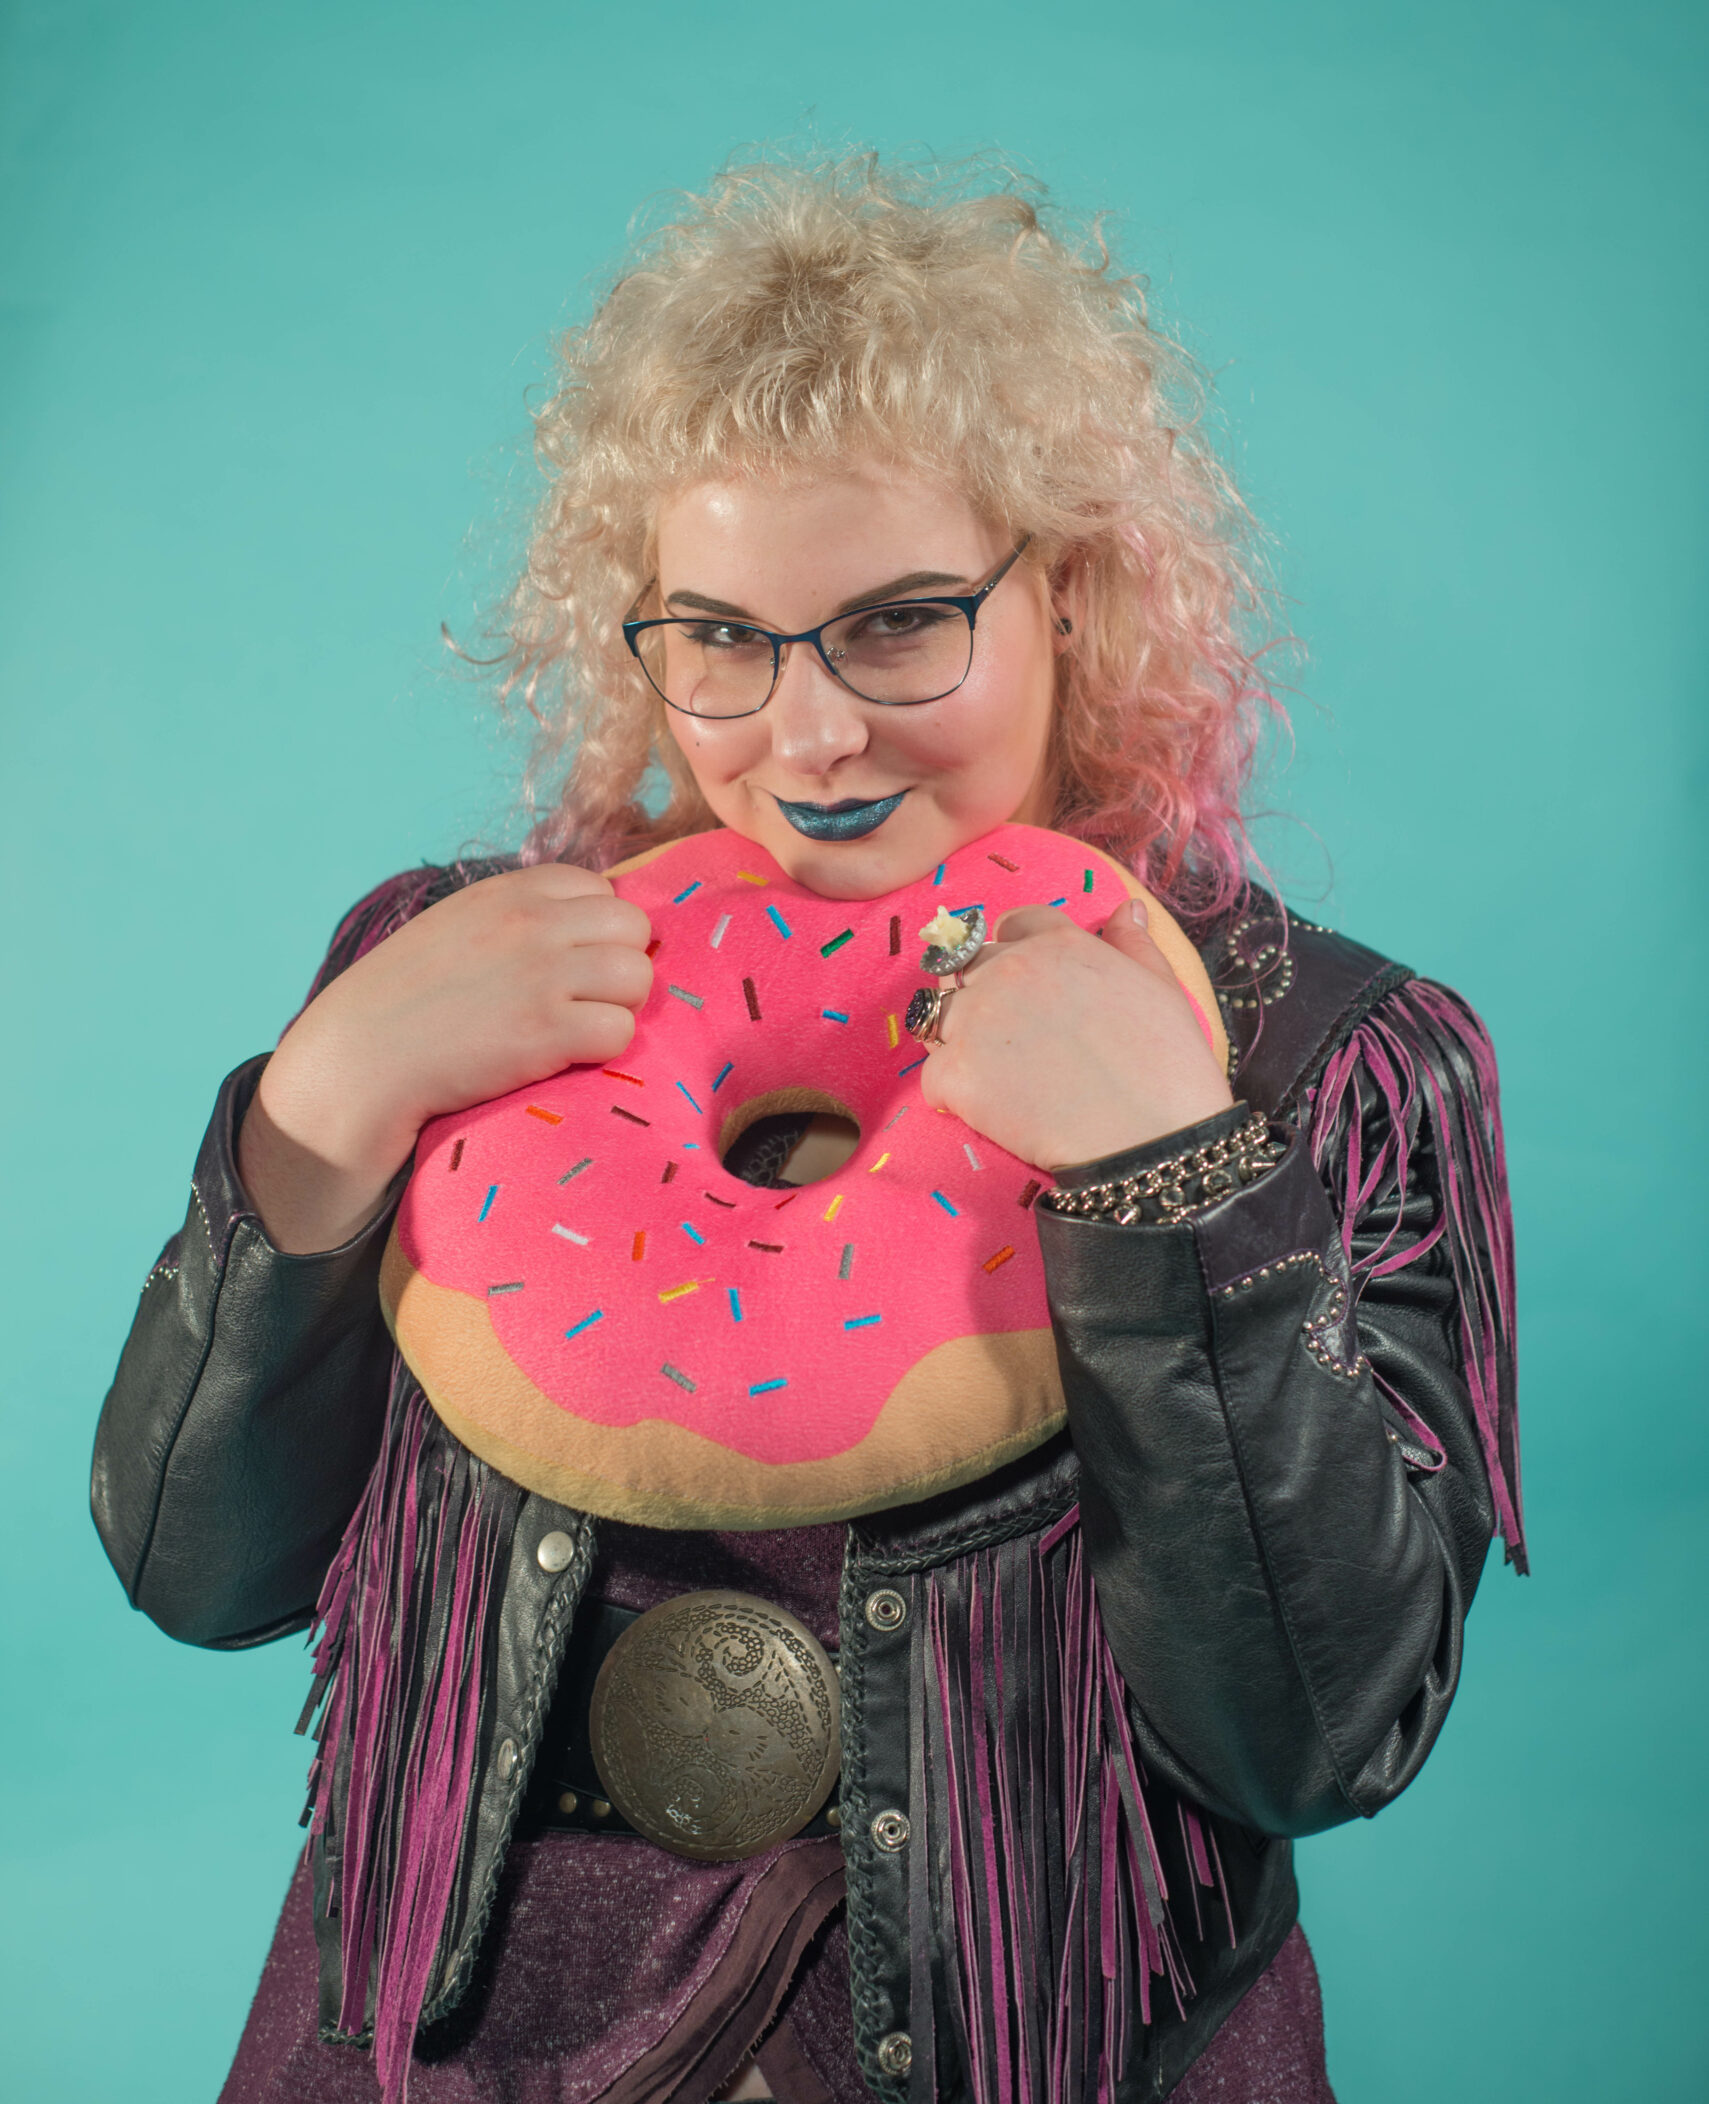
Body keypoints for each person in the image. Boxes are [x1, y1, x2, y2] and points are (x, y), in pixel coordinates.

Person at [92, 156, 1523, 2104]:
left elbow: (1312, 1735)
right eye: (720, 635)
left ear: (1072, 591)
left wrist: (1174, 1181)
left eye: (900, 622)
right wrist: (323, 1110)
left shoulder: (1319, 1052)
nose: (811, 732)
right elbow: (198, 1571)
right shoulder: (458, 973)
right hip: (445, 2047)